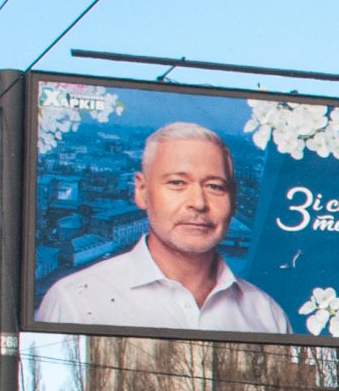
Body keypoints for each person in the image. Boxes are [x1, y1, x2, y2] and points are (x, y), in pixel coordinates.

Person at [34, 121, 288, 332]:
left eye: (214, 187)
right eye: (177, 183)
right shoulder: (75, 301)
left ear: (232, 199)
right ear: (141, 191)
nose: (198, 203)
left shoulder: (266, 315)